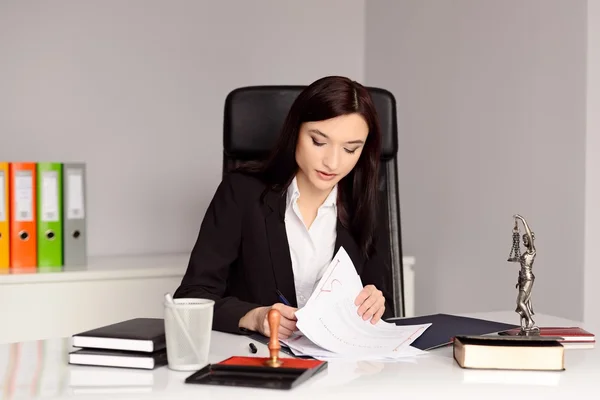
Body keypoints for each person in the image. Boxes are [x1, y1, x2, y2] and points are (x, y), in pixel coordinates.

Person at [173, 76, 394, 339]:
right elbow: (191, 298)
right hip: (261, 361)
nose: (332, 163)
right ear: (295, 132)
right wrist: (254, 317)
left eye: (349, 149)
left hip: (341, 368)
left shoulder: (365, 201)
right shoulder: (241, 192)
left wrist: (376, 302)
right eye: (319, 142)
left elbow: (385, 303)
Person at [513, 214, 538, 332]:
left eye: (525, 239)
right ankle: (527, 322)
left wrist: (523, 220)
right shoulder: (525, 253)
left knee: (520, 302)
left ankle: (530, 321)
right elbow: (522, 267)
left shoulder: (531, 251)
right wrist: (519, 281)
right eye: (523, 240)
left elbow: (528, 233)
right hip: (523, 279)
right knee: (521, 303)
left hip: (528, 278)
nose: (524, 241)